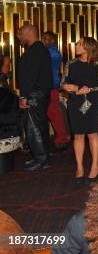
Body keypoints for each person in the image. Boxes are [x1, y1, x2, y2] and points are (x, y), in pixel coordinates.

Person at [61, 37, 98, 184]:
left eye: (80, 44)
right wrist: (72, 88)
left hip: (91, 102)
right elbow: (63, 83)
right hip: (75, 102)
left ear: (88, 47)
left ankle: (95, 165)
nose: (76, 45)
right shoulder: (71, 63)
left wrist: (87, 89)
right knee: (78, 135)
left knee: (92, 134)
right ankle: (79, 167)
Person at [17, 24, 53, 171]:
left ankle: (41, 159)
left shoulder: (36, 51)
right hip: (38, 93)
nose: (19, 37)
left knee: (33, 128)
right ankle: (43, 158)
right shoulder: (38, 50)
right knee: (40, 126)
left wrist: (25, 96)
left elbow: (31, 76)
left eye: (20, 34)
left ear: (29, 33)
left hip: (35, 94)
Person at [42, 31, 71, 151]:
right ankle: (61, 138)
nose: (43, 41)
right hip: (50, 86)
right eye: (43, 38)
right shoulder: (50, 52)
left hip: (51, 87)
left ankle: (62, 139)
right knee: (53, 113)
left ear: (53, 41)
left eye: (46, 39)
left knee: (54, 114)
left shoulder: (52, 53)